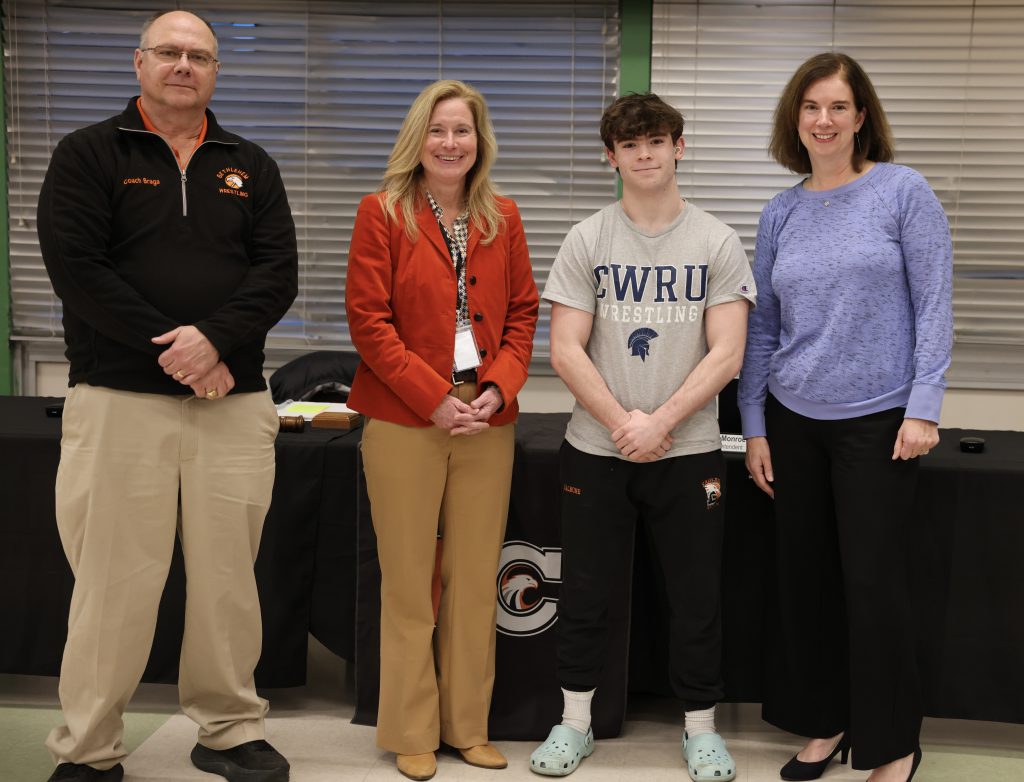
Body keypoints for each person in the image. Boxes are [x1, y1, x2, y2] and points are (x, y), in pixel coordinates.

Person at [37, 10, 297, 782]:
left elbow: (276, 275)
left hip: (232, 404)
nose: (184, 65)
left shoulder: (250, 164)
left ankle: (229, 729)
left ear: (216, 71)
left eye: (199, 56)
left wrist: (214, 342)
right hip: (120, 402)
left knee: (228, 583)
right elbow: (79, 272)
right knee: (113, 584)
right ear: (140, 62)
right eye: (170, 52)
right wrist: (182, 355)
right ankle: (89, 747)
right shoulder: (88, 154)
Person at [738, 53, 953, 782]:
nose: (823, 120)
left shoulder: (902, 191)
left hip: (879, 421)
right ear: (794, 119)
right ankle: (824, 723)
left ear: (862, 116)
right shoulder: (781, 211)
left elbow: (934, 302)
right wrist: (755, 423)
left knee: (873, 588)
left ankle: (892, 744)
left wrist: (924, 408)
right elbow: (764, 326)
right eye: (811, 107)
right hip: (793, 419)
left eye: (837, 106)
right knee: (806, 584)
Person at [530, 93, 755, 780]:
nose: (645, 155)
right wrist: (623, 423)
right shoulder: (587, 240)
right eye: (630, 145)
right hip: (596, 450)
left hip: (688, 452)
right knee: (585, 592)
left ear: (679, 147)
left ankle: (701, 730)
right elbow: (565, 348)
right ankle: (574, 723)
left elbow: (728, 353)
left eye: (657, 141)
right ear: (612, 157)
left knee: (696, 598)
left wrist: (660, 422)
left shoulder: (716, 241)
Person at [345, 79, 538, 781]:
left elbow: (523, 313)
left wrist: (498, 388)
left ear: (479, 142)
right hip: (406, 415)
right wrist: (432, 398)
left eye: (462, 130)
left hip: (485, 417)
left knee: (473, 577)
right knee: (408, 579)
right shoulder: (382, 212)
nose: (451, 143)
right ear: (416, 140)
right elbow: (369, 321)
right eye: (437, 130)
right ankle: (411, 729)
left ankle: (466, 726)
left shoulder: (502, 216)